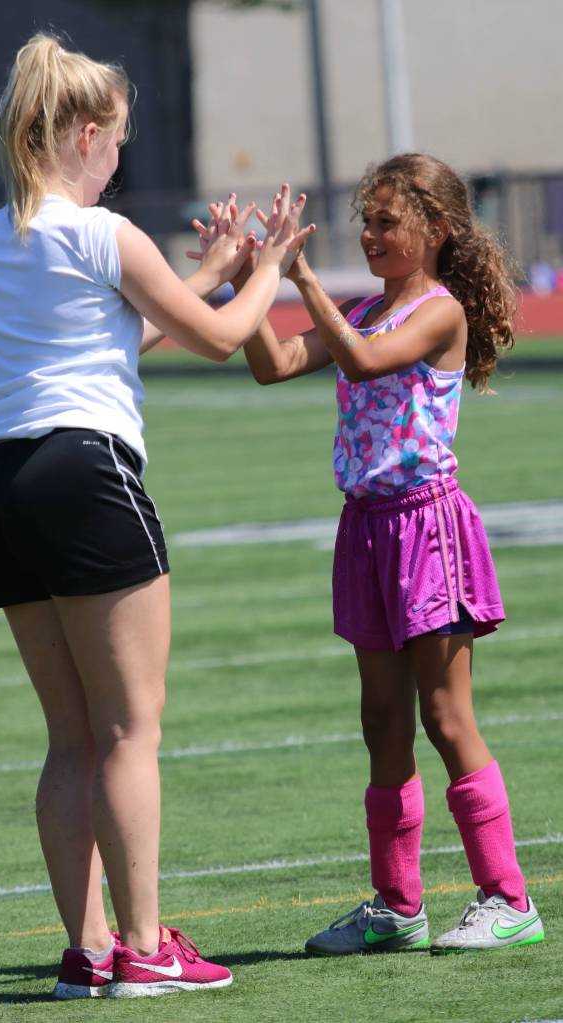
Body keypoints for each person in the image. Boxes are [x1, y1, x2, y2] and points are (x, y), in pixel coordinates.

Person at [0, 32, 313, 999]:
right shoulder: (105, 233)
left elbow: (111, 335)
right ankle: (147, 946)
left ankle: (88, 951)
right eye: (115, 139)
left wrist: (211, 268)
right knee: (129, 729)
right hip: (86, 472)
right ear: (85, 135)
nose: (119, 156)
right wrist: (269, 266)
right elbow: (223, 340)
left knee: (70, 735)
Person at [233, 153, 545, 954]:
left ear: (434, 230)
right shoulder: (362, 310)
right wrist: (246, 279)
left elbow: (366, 360)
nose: (368, 235)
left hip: (426, 527)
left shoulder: (438, 313)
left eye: (384, 221)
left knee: (444, 715)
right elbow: (272, 364)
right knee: (381, 721)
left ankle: (507, 897)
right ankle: (397, 905)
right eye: (363, 222)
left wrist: (299, 275)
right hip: (366, 527)